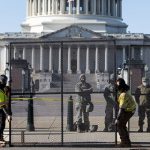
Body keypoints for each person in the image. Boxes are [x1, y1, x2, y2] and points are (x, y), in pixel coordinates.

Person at [115, 78, 136, 147]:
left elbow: (121, 109)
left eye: (118, 84)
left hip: (128, 110)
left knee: (119, 124)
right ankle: (127, 142)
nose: (117, 86)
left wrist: (117, 118)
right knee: (122, 125)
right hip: (130, 109)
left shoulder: (123, 95)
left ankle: (125, 142)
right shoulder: (126, 89)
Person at [0, 75, 11, 145]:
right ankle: (0, 138)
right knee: (1, 124)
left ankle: (1, 137)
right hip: (1, 109)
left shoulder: (3, 89)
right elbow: (1, 104)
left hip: (2, 109)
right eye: (5, 81)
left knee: (2, 124)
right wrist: (8, 114)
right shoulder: (1, 90)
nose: (5, 82)